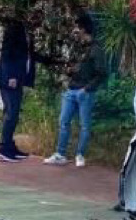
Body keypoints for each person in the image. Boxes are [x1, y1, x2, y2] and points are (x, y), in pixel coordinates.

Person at [45, 16, 105, 167]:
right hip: (71, 89)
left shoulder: (96, 49)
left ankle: (80, 154)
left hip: (84, 92)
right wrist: (70, 71)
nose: (74, 30)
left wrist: (87, 88)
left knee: (84, 125)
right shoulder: (77, 47)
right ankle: (60, 154)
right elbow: (75, 66)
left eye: (77, 27)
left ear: (83, 28)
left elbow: (102, 73)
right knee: (64, 121)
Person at [0, 19, 35, 162]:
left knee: (13, 113)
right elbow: (7, 52)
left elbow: (28, 55)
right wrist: (11, 75)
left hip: (18, 79)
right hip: (9, 79)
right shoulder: (14, 27)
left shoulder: (27, 30)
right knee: (10, 113)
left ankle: (9, 146)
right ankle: (3, 148)